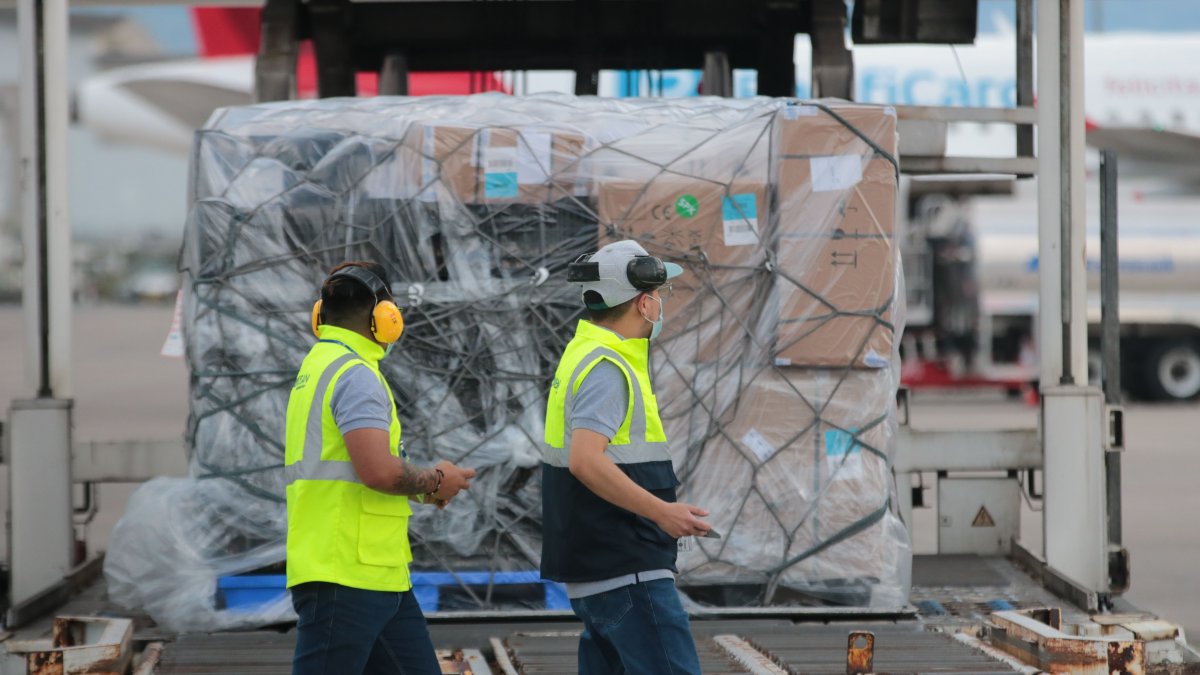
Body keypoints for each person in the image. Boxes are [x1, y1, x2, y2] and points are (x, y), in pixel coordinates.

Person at [285, 261, 476, 675]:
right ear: (384, 318)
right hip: (346, 577)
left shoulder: (320, 366)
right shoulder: (354, 376)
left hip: (379, 574)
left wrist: (426, 488)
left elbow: (357, 469)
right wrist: (438, 480)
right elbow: (379, 472)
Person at [541, 240, 711, 675]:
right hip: (626, 567)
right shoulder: (606, 366)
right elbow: (586, 460)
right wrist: (663, 513)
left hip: (602, 565)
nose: (660, 304)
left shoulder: (585, 353)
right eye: (658, 295)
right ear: (642, 302)